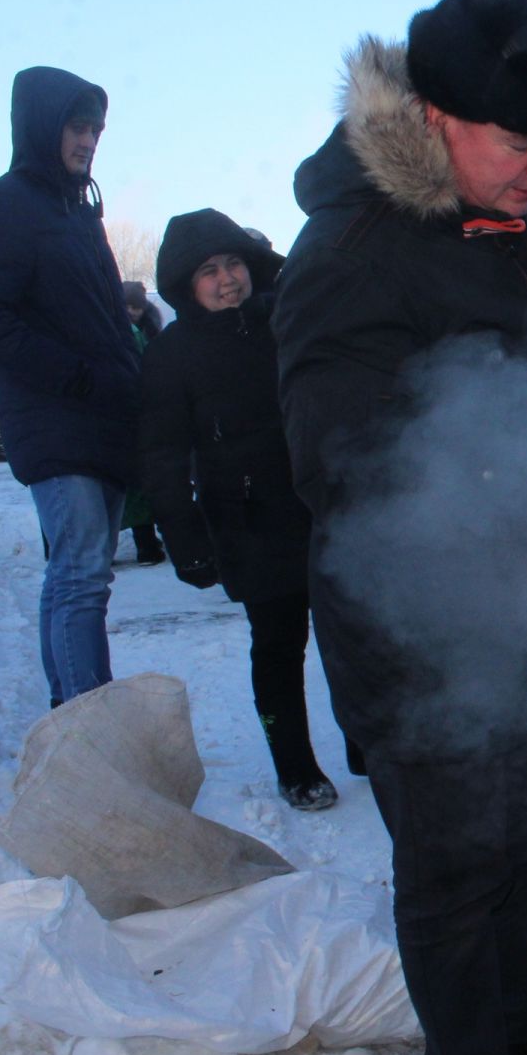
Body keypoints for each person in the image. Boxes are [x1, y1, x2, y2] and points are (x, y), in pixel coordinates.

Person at [270, 0, 527, 1055]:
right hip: (418, 618)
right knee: (454, 855)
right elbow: (347, 460)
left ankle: (523, 1016)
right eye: (519, 140)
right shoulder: (353, 249)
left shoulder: (518, 215)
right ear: (434, 116)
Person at [139, 209, 347, 812]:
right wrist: (186, 539)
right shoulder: (172, 354)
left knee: (348, 634)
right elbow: (162, 455)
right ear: (185, 283)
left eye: (233, 264)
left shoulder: (287, 322)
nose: (226, 278)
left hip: (320, 505)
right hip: (250, 521)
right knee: (279, 645)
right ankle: (296, 766)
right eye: (209, 271)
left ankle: (365, 740)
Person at [0, 67, 139, 708]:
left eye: (96, 130)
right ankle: (93, 728)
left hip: (103, 419)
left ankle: (76, 721)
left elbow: (104, 318)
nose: (88, 141)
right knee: (80, 574)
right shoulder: (2, 204)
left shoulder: (79, 213)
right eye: (77, 127)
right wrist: (72, 374)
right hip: (55, 419)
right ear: (41, 127)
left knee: (86, 578)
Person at [118, 281, 167, 567]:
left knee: (137, 488)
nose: (132, 311)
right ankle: (148, 547)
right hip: (136, 417)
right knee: (139, 487)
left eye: (136, 306)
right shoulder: (137, 333)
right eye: (127, 306)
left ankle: (147, 546)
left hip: (139, 416)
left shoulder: (145, 331)